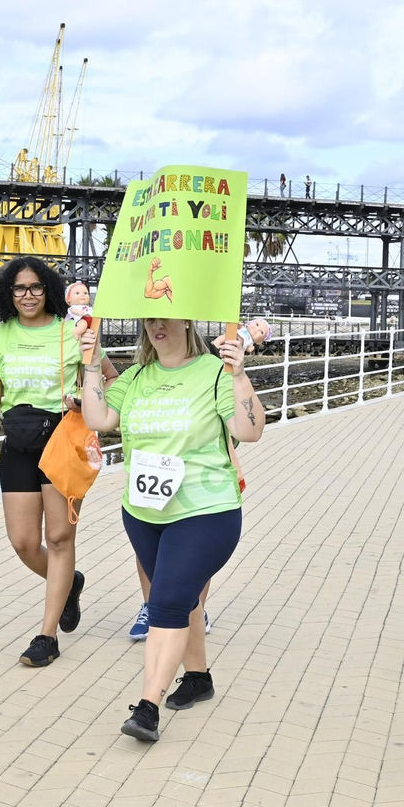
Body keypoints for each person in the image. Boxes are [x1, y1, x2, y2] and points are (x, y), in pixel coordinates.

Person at [80, 317, 265, 742]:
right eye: (149, 319)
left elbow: (250, 431)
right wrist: (91, 362)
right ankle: (198, 677)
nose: (156, 325)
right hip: (144, 512)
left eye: (165, 317)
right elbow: (98, 418)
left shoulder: (214, 372)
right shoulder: (135, 377)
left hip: (206, 510)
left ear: (186, 320)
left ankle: (147, 707)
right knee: (182, 599)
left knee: (164, 604)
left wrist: (238, 375)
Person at [0, 257, 119, 667]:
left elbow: (111, 378)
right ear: (8, 293)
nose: (28, 295)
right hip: (18, 444)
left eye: (35, 287)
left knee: (60, 538)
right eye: (19, 288)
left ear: (48, 289)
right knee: (23, 542)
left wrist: (86, 402)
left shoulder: (73, 330)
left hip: (63, 442)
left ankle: (47, 637)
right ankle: (70, 583)